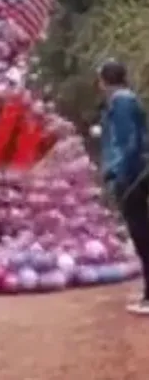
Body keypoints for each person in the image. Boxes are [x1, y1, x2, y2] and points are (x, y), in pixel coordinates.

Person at [98, 59, 149, 315]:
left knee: (141, 233)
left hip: (132, 177)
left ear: (103, 81)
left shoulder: (121, 102)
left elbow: (128, 144)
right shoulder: (125, 100)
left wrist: (117, 174)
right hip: (135, 173)